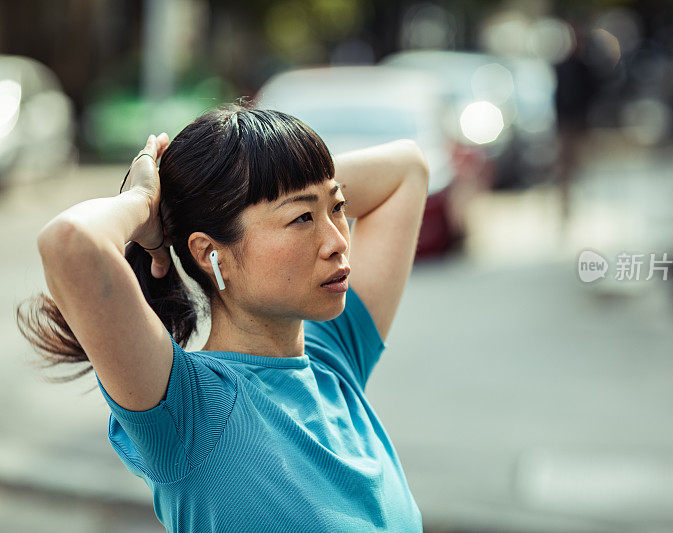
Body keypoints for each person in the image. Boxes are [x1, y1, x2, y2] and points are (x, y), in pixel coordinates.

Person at [19, 104, 429, 531]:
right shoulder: (190, 411)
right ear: (211, 254)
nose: (337, 241)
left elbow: (408, 169)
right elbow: (69, 243)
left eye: (338, 206)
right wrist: (144, 201)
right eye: (303, 217)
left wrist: (288, 180)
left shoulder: (335, 359)